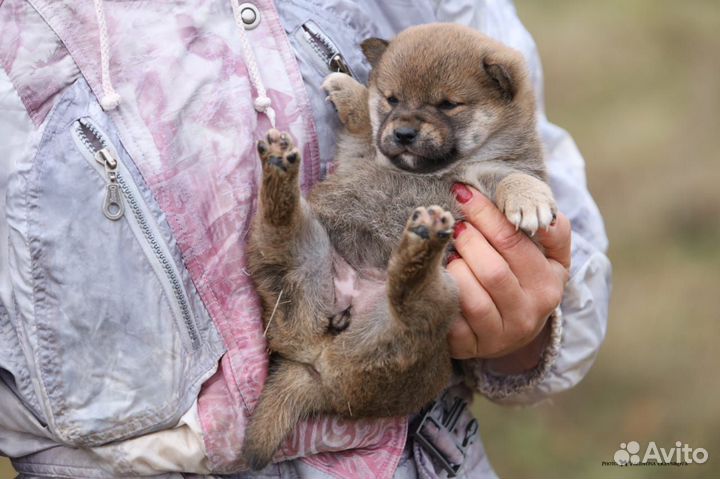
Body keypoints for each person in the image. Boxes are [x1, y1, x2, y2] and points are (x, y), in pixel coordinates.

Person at [0, 0, 611, 477]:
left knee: (397, 291)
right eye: (391, 101)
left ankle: (403, 264)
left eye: (447, 105)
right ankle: (318, 214)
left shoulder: (469, 67)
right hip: (136, 445)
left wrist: (519, 325)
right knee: (294, 243)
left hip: (413, 441)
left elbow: (558, 238)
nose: (405, 122)